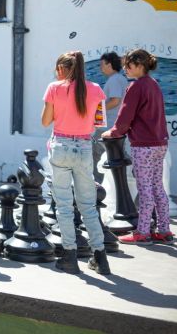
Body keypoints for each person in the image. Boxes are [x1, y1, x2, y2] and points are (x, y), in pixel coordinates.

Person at [41, 51, 110, 275]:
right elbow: (98, 122)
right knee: (88, 206)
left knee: (63, 205)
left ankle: (69, 257)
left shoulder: (55, 88)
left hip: (60, 147)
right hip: (83, 147)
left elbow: (45, 121)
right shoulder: (96, 89)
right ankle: (100, 257)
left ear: (63, 68)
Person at [102, 49, 172, 245]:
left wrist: (114, 132)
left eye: (129, 65)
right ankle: (164, 230)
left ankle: (142, 231)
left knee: (145, 187)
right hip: (160, 142)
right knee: (158, 187)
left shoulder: (136, 87)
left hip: (143, 145)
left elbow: (125, 116)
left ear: (140, 66)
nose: (125, 69)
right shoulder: (154, 85)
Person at [92, 52, 128, 179]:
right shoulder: (120, 79)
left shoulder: (114, 80)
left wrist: (95, 110)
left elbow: (115, 100)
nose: (100, 67)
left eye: (102, 64)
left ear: (109, 64)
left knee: (98, 158)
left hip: (108, 127)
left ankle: (99, 190)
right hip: (114, 126)